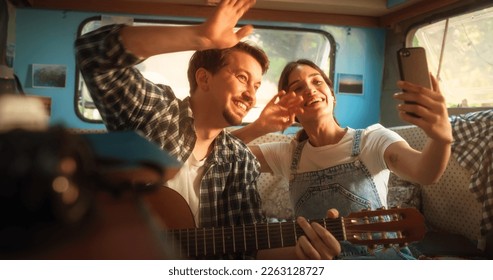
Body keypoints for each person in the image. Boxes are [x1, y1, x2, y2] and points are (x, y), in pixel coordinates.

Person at [75, 0, 340, 260]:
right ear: (203, 78)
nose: (250, 94)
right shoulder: (157, 113)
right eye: (242, 78)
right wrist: (198, 36)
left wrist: (300, 255)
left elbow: (250, 246)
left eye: (257, 86)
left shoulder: (240, 160)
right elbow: (92, 52)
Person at [233, 59, 453, 259]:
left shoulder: (373, 140)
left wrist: (441, 138)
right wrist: (260, 126)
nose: (310, 89)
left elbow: (426, 172)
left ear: (332, 95)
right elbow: (217, 151)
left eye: (317, 82)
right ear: (292, 108)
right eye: (297, 88)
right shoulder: (286, 154)